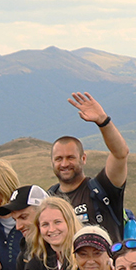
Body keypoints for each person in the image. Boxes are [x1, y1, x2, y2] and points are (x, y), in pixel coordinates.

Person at [48, 93, 130, 241]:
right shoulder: (49, 198)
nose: (64, 164)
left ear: (83, 158)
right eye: (59, 159)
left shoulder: (102, 188)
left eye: (70, 157)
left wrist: (103, 122)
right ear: (52, 162)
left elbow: (120, 154)